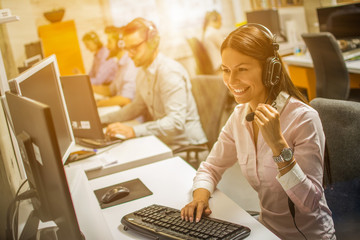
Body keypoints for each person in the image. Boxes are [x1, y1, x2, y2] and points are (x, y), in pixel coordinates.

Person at [181, 24, 336, 240]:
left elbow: (310, 204)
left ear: (270, 69)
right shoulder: (239, 116)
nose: (232, 81)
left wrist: (278, 146)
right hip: (265, 232)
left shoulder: (303, 118)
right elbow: (211, 166)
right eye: (226, 70)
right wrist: (200, 196)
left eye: (242, 69)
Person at [103, 17, 207, 149]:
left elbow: (175, 122)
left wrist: (133, 131)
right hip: (166, 143)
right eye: (127, 49)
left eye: (134, 48)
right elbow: (136, 107)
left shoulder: (169, 72)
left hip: (188, 148)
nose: (129, 54)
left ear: (153, 42)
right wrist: (102, 120)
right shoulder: (142, 72)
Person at [94, 26, 139, 107]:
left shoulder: (130, 65)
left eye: (110, 42)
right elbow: (110, 90)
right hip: (121, 111)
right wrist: (89, 88)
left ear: (120, 44)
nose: (107, 46)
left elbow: (125, 99)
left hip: (132, 116)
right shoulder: (120, 64)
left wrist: (98, 104)